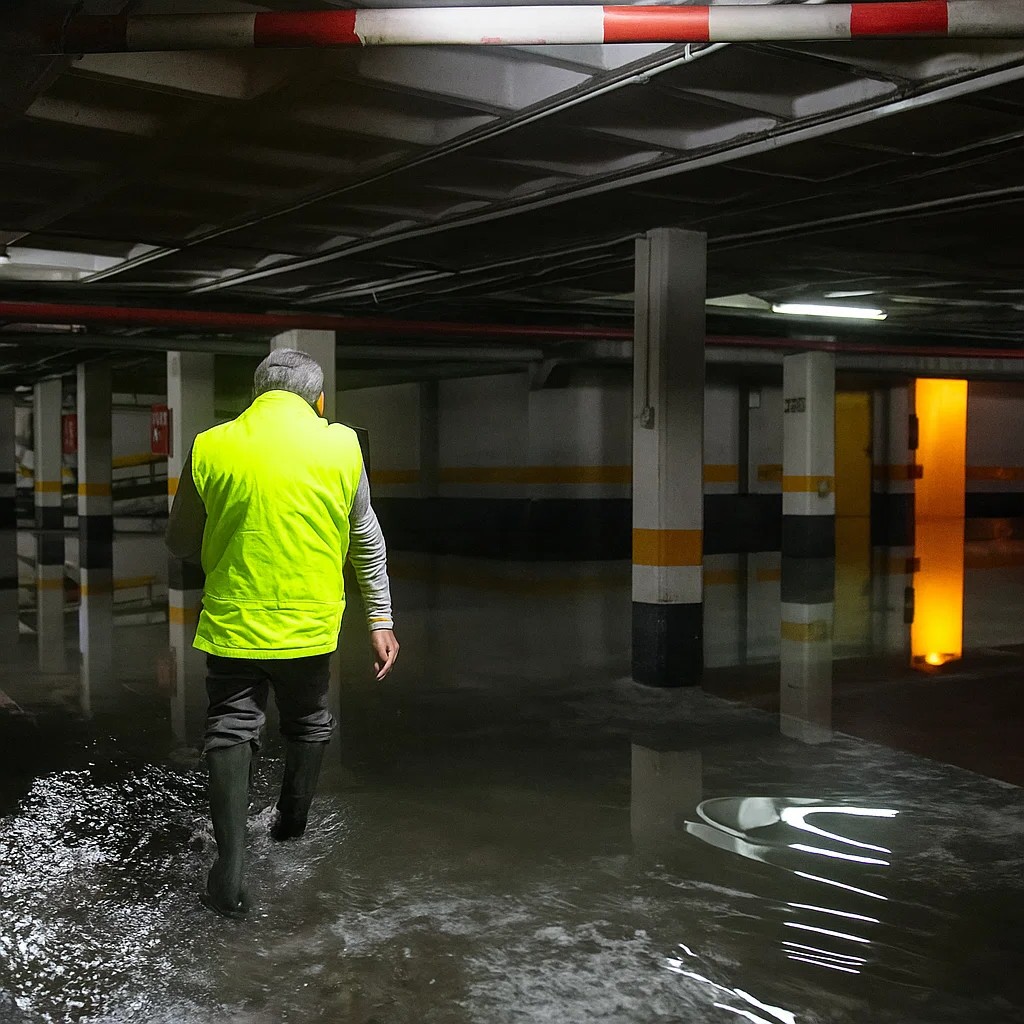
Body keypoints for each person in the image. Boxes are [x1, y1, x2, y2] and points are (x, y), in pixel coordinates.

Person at [166, 348, 399, 919]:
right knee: (308, 721)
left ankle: (232, 863)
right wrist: (381, 619)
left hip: (232, 622)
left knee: (230, 727)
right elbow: (364, 539)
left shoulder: (210, 444)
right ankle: (291, 827)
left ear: (256, 394)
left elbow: (178, 542)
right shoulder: (344, 445)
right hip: (310, 625)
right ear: (317, 400)